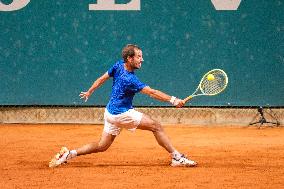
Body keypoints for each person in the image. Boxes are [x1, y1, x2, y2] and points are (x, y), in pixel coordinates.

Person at [49, 44, 197, 168]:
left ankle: (69, 154)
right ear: (129, 58)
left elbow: (102, 78)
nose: (142, 60)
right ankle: (176, 157)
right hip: (121, 114)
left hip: (109, 112)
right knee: (156, 126)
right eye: (138, 57)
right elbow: (152, 92)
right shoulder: (130, 79)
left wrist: (90, 91)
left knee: (102, 146)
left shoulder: (118, 65)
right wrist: (174, 100)